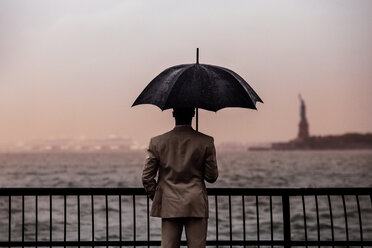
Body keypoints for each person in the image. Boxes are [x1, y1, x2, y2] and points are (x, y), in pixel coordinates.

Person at [142, 107, 218, 248]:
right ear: (193, 115)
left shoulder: (157, 142)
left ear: (173, 114)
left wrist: (158, 196)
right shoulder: (206, 141)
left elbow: (146, 177)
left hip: (169, 203)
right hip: (195, 203)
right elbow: (211, 177)